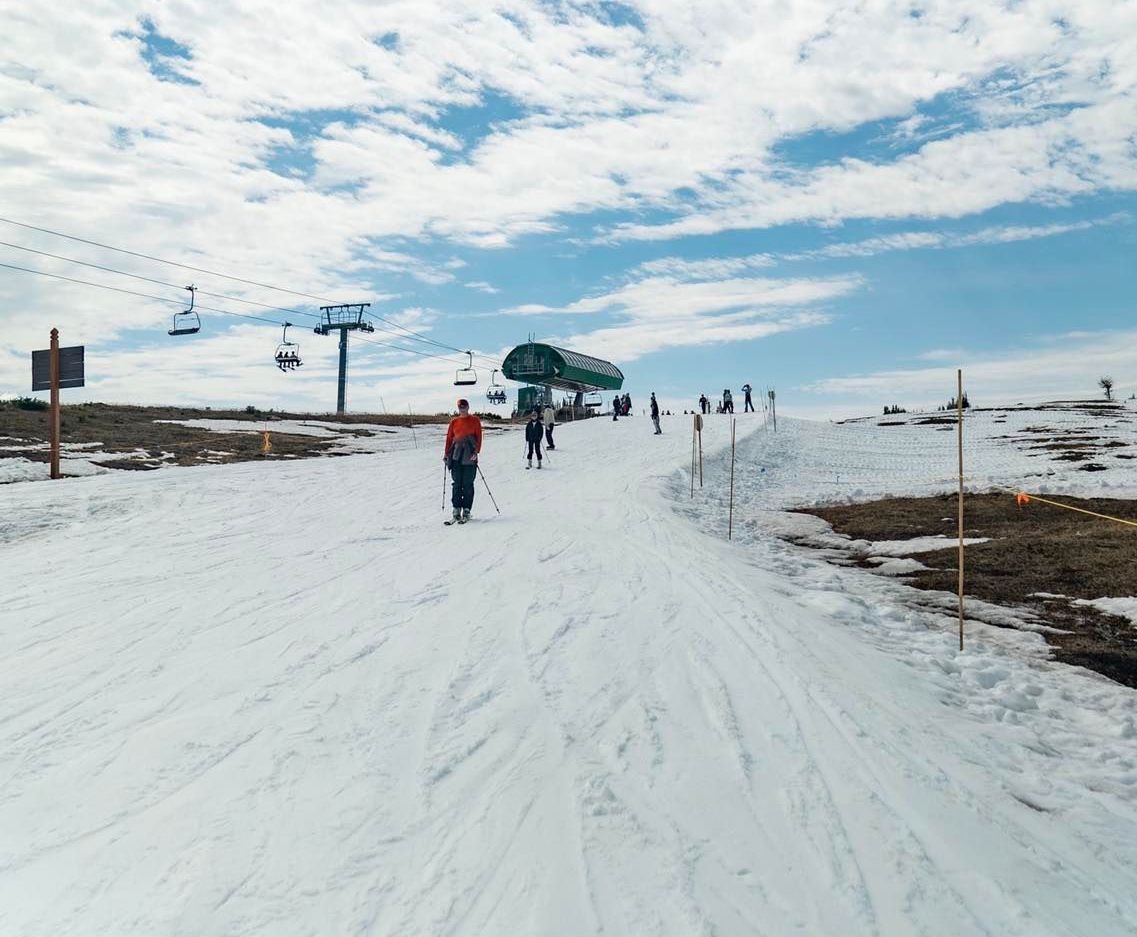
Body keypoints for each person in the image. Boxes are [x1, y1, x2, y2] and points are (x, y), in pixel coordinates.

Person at [443, 398, 483, 523]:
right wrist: (446, 454)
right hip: (456, 456)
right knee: (456, 484)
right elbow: (449, 439)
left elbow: (479, 437)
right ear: (458, 408)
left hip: (469, 457)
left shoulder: (475, 420)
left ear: (468, 407)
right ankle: (456, 509)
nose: (462, 409)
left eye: (464, 407)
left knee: (467, 484)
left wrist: (476, 452)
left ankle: (466, 510)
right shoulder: (454, 422)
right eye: (460, 407)